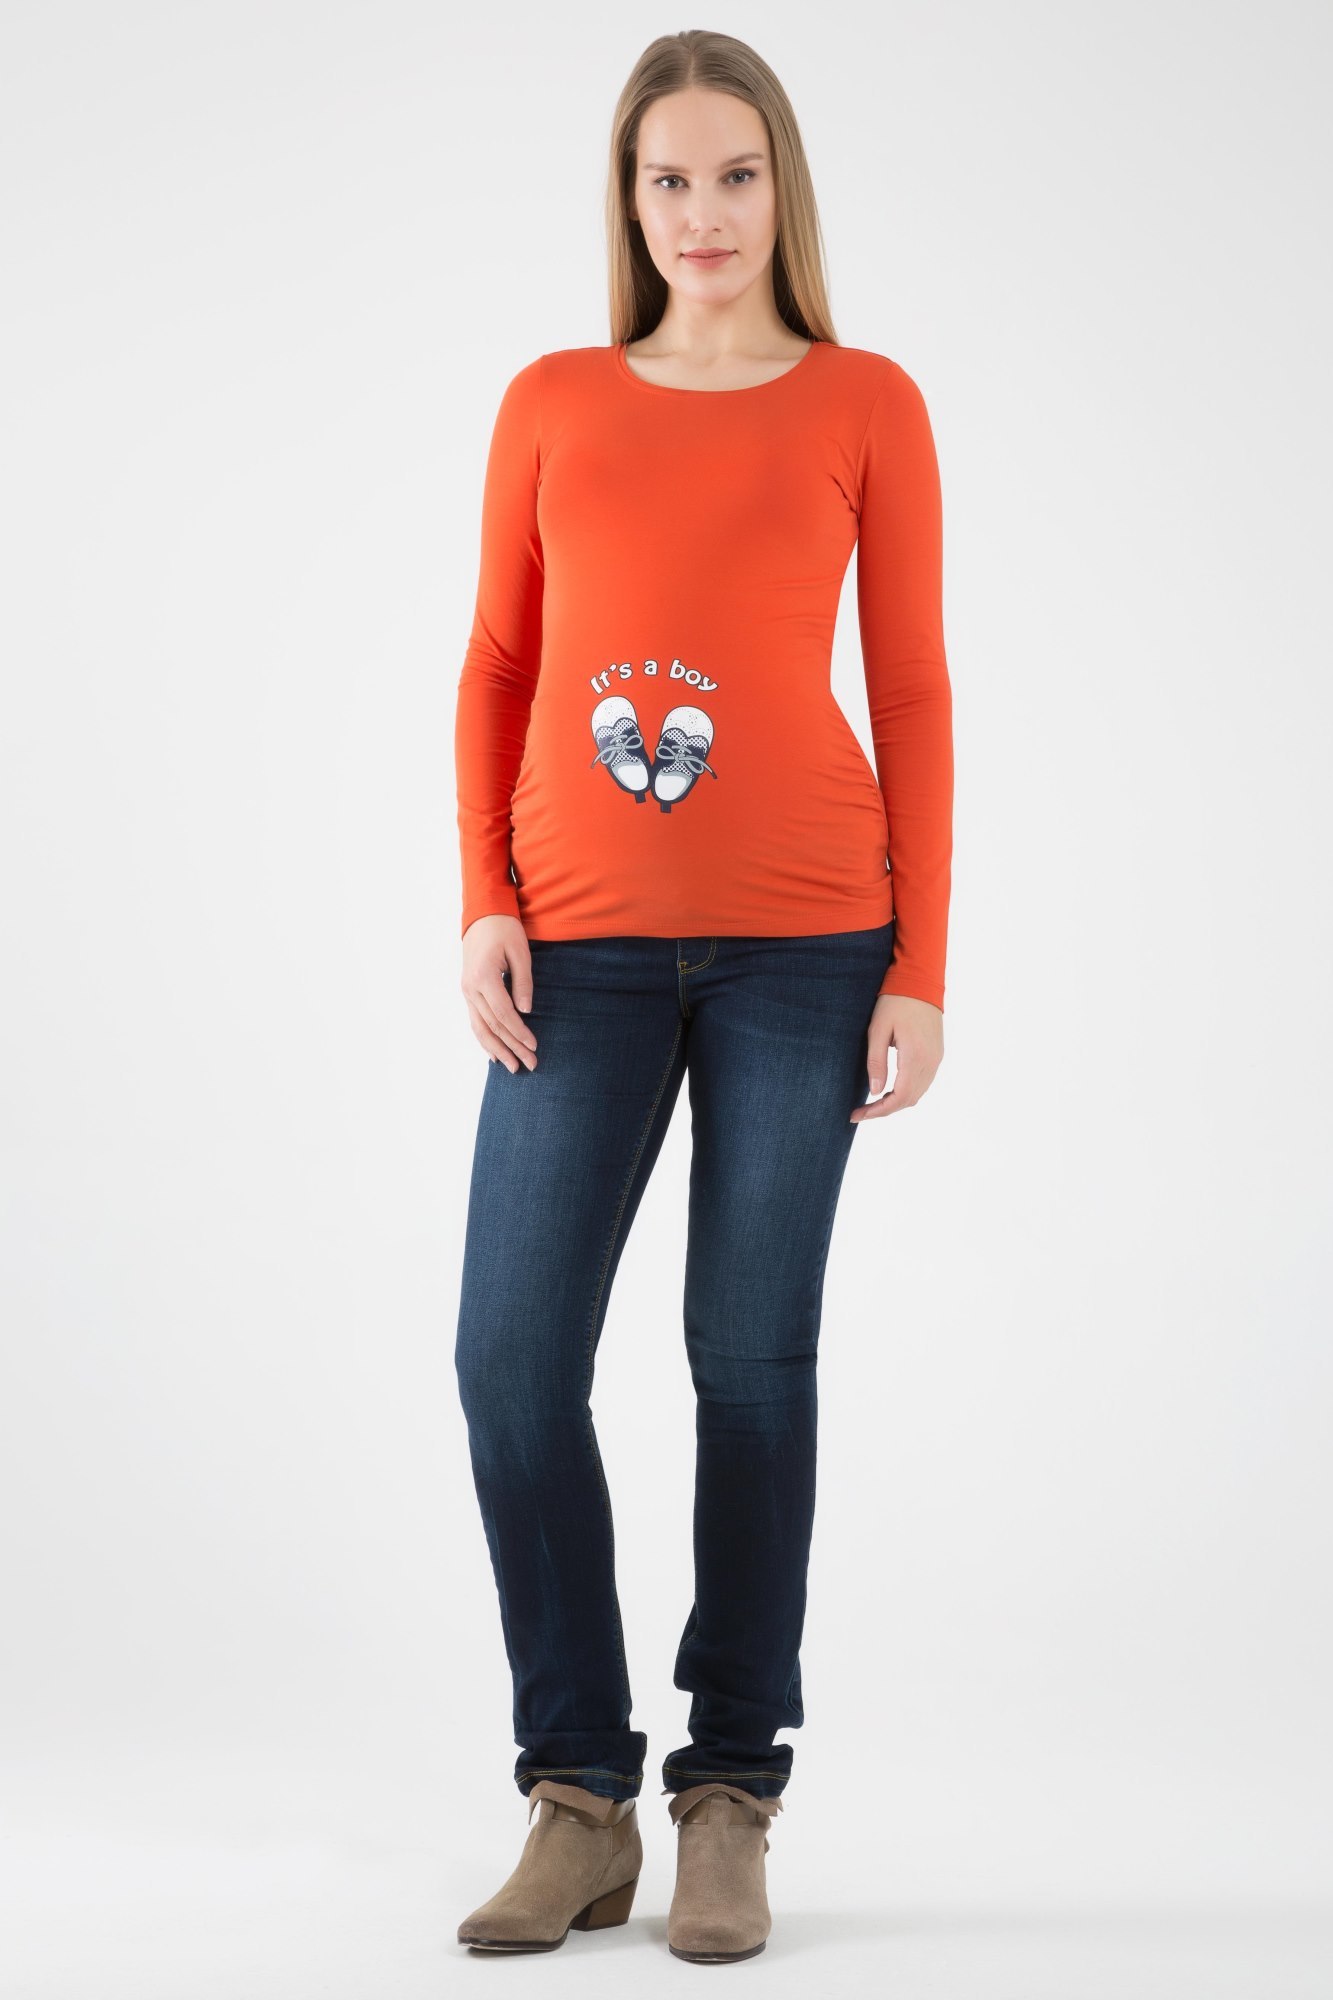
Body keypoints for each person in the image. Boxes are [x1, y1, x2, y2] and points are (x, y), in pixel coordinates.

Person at [452, 28, 953, 1963]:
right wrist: (481, 897)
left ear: (780, 188)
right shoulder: (553, 399)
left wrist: (923, 960)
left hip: (807, 946)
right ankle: (576, 1796)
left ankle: (728, 1792)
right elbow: (498, 665)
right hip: (572, 945)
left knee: (748, 1367)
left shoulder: (864, 400)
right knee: (511, 1363)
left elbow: (909, 686)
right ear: (628, 198)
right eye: (667, 179)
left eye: (734, 175)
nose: (703, 212)